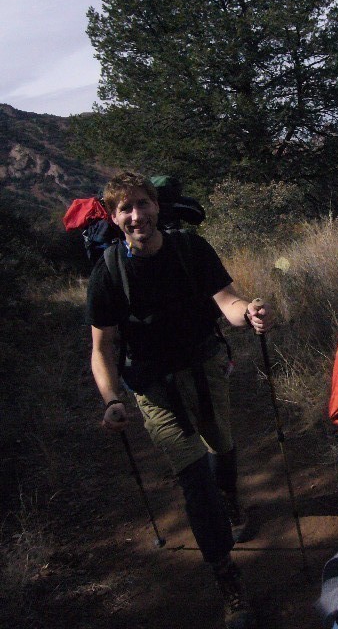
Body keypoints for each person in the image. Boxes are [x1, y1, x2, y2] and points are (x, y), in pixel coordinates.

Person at [86, 171, 274, 629]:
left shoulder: (191, 249)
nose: (137, 215)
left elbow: (226, 301)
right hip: (152, 387)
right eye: (125, 209)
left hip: (206, 366)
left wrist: (246, 314)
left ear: (156, 206)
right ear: (114, 218)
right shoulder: (108, 273)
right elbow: (102, 347)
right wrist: (112, 399)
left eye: (142, 204)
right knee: (193, 476)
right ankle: (226, 576)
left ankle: (230, 499)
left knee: (222, 444)